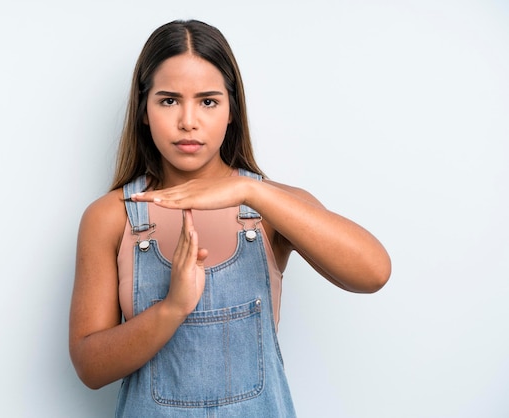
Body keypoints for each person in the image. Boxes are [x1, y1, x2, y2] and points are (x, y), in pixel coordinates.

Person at [69, 19, 391, 417]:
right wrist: (172, 308)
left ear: (232, 110)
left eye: (208, 101)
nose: (188, 120)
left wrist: (250, 190)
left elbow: (373, 272)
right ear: (144, 110)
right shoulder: (111, 217)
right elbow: (90, 365)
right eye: (169, 100)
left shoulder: (271, 206)